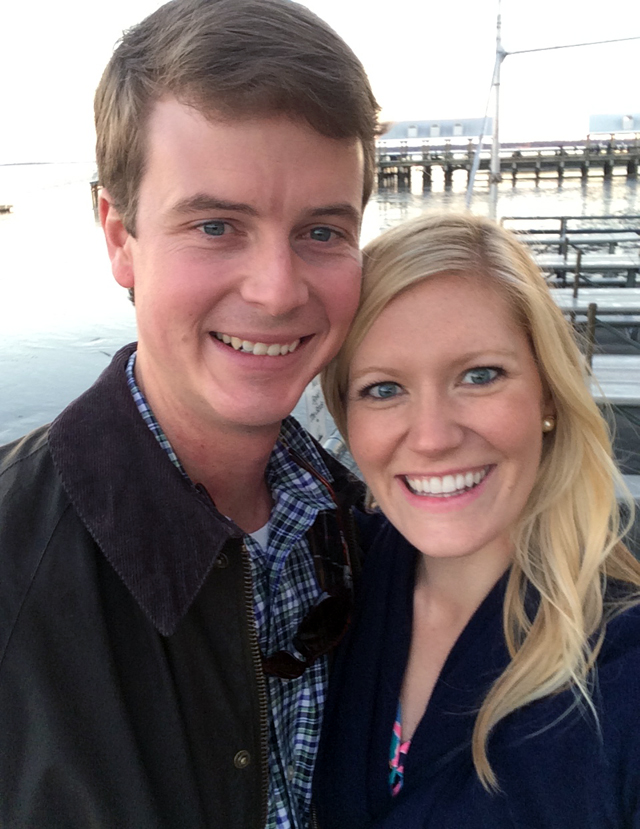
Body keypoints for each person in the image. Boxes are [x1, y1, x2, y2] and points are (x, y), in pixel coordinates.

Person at [0, 2, 379, 827]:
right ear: (119, 236)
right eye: (215, 225)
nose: (276, 290)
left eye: (321, 231)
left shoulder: (373, 533)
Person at [314, 212, 640, 828]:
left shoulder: (622, 667)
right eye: (383, 389)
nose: (433, 437)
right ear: (346, 418)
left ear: (547, 394)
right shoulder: (328, 588)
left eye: (480, 376)